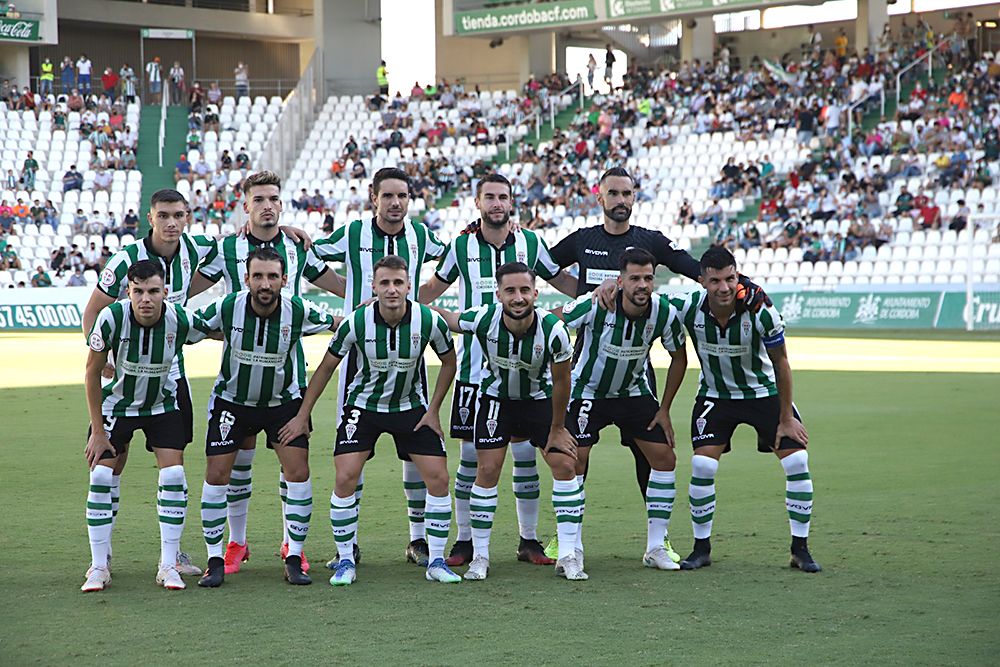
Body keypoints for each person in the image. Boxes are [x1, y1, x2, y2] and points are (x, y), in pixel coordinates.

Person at [547, 167, 768, 536]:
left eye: (627, 193)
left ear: (635, 198)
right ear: (599, 197)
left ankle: (657, 538)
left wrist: (743, 285)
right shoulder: (581, 240)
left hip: (636, 371)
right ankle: (565, 537)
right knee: (577, 455)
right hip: (589, 366)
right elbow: (543, 265)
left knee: (649, 453)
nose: (620, 200)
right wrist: (582, 293)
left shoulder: (651, 240)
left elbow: (699, 270)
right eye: (613, 193)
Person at [190, 170, 345, 575]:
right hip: (237, 378)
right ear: (246, 205)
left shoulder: (297, 245)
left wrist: (382, 298)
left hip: (285, 381)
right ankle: (235, 544)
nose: (267, 205)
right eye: (258, 199)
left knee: (291, 466)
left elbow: (342, 286)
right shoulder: (226, 249)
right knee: (234, 468)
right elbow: (183, 293)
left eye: (273, 198)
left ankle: (291, 546)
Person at [417, 173, 574, 567]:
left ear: (511, 202)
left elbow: (562, 282)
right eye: (490, 197)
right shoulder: (460, 245)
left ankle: (529, 540)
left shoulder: (531, 242)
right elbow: (432, 292)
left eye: (503, 197)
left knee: (524, 457)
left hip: (527, 374)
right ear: (477, 202)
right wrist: (399, 303)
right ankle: (466, 541)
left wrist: (601, 291)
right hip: (475, 373)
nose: (497, 204)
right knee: (472, 460)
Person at [279, 255, 462, 586]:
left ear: (408, 286)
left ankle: (436, 559)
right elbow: (325, 369)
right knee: (346, 476)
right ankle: (346, 558)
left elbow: (449, 362)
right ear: (374, 287)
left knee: (438, 478)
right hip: (363, 407)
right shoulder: (356, 322)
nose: (392, 290)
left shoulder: (428, 321)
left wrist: (433, 410)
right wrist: (302, 415)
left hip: (410, 406)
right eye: (385, 283)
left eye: (398, 283)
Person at [312, 167, 447, 569]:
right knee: (353, 453)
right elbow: (308, 256)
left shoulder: (422, 236)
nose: (395, 203)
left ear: (409, 199)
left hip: (409, 360)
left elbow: (452, 255)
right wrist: (348, 291)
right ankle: (347, 546)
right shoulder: (353, 234)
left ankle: (418, 539)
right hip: (358, 358)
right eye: (387, 195)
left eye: (402, 195)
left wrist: (418, 301)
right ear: (373, 198)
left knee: (414, 456)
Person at [666, 246, 820, 573]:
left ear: (738, 277)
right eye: (715, 280)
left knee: (797, 461)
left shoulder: (760, 310)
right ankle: (701, 548)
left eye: (730, 279)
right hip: (715, 397)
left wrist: (786, 418)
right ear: (702, 281)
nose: (723, 287)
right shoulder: (687, 307)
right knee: (703, 466)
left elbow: (782, 363)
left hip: (763, 393)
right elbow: (648, 300)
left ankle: (800, 549)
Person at [432, 262, 584, 581]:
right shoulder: (484, 318)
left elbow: (561, 383)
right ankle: (481, 557)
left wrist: (557, 429)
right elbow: (449, 319)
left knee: (565, 466)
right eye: (511, 291)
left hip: (539, 402)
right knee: (486, 470)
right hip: (495, 400)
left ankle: (569, 554)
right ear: (499, 294)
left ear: (535, 294)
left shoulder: (554, 332)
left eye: (525, 290)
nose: (518, 297)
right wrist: (408, 302)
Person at [80, 260, 209, 593]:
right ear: (128, 292)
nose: (146, 299)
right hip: (116, 406)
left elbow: (218, 329)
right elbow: (92, 373)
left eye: (153, 291)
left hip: (160, 405)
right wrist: (98, 431)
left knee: (174, 475)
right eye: (138, 292)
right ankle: (98, 566)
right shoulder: (110, 319)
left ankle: (169, 564)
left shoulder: (179, 319)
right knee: (101, 475)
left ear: (165, 292)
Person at [559, 248, 687, 570]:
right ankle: (571, 547)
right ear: (620, 281)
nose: (642, 285)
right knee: (576, 457)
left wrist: (665, 408)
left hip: (633, 393)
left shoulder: (663, 312)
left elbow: (680, 356)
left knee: (665, 458)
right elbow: (557, 323)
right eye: (635, 278)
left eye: (648, 278)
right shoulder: (596, 303)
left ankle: (656, 547)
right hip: (588, 391)